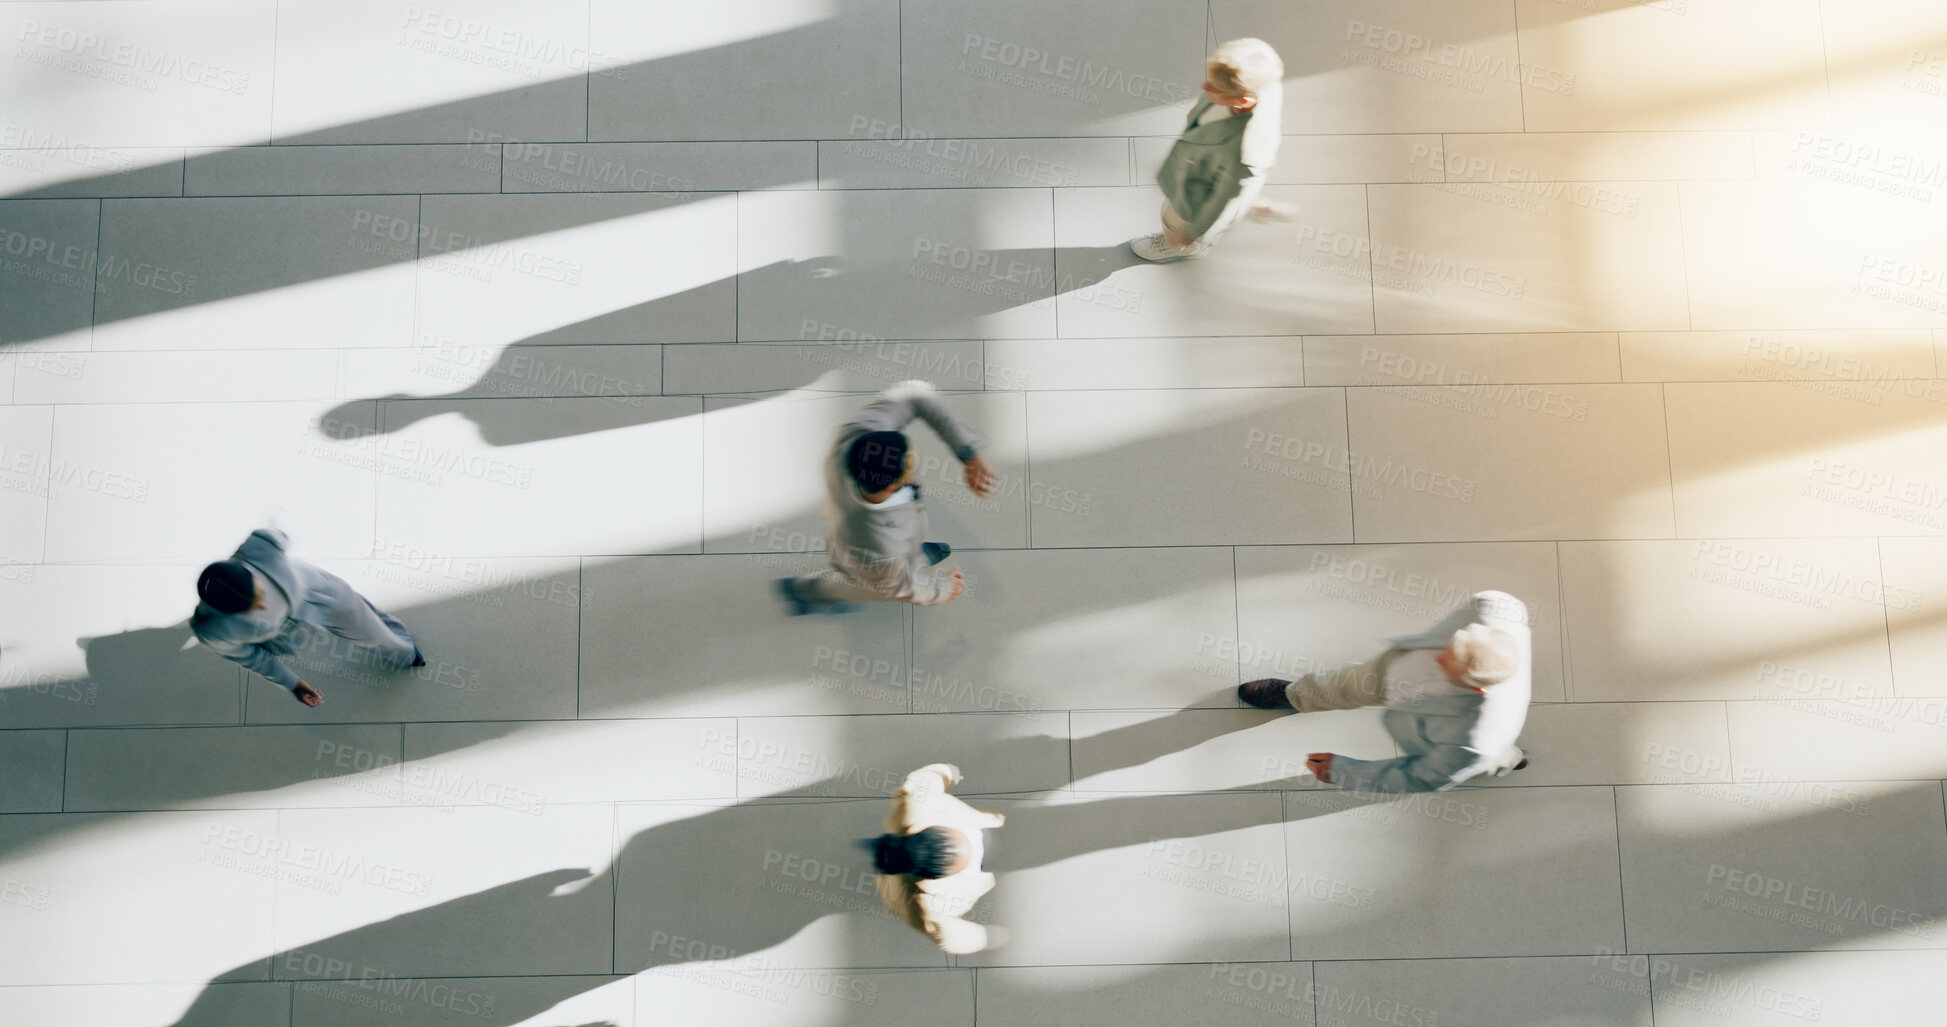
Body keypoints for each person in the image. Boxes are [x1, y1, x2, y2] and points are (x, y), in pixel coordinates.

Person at [1239, 590, 1532, 793]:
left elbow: (1421, 777)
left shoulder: (1473, 741)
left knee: (1480, 756)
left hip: (1458, 731)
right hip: (1391, 672)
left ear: (1477, 688)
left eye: (1447, 664)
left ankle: (1504, 760)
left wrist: (1343, 771)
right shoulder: (1493, 607)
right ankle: (1294, 695)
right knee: (1345, 684)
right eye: (1448, 647)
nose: (1438, 657)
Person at [777, 380, 993, 612]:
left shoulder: (856, 438)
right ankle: (807, 591)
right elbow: (900, 587)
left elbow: (913, 394)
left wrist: (967, 453)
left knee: (891, 565)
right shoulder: (876, 544)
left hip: (850, 525)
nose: (915, 456)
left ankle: (912, 557)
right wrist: (945, 589)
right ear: (892, 486)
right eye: (911, 462)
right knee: (864, 586)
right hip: (861, 560)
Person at [190, 528, 423, 707]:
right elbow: (253, 658)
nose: (262, 605)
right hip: (288, 634)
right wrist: (292, 684)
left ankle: (405, 654)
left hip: (323, 596)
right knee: (366, 618)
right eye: (251, 609)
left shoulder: (261, 544)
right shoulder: (213, 631)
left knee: (370, 626)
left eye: (260, 594)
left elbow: (281, 533)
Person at [1131, 37, 1285, 263]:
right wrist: (1205, 109)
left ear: (1242, 101)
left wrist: (1192, 233)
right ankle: (1245, 201)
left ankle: (1182, 246)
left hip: (1201, 186)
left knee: (1176, 217)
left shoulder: (1244, 153)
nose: (1204, 87)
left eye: (1213, 88)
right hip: (1218, 167)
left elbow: (1230, 183)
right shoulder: (1261, 83)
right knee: (1233, 189)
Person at [867, 763, 1007, 953]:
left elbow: (927, 777)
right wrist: (984, 938)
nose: (974, 849)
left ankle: (881, 851)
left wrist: (948, 772)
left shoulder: (918, 803)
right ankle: (880, 854)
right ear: (936, 878)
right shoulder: (928, 908)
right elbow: (951, 938)